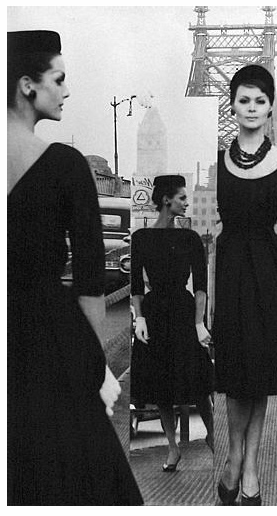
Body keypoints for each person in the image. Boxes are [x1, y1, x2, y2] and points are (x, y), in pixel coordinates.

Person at [7, 30, 143, 505]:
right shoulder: (64, 165)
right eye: (59, 79)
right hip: (48, 341)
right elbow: (90, 281)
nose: (67, 91)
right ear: (28, 85)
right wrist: (96, 367)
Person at [213, 64, 277, 506]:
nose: (251, 108)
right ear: (233, 105)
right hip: (232, 273)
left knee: (258, 375)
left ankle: (249, 465)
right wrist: (212, 300)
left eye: (260, 100)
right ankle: (234, 456)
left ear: (271, 107)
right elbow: (220, 230)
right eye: (243, 100)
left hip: (271, 278)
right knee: (238, 376)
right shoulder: (221, 159)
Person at [131, 175, 214, 470]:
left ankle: (213, 437)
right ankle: (172, 447)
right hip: (154, 314)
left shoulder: (190, 238)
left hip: (182, 310)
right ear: (167, 200)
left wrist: (198, 323)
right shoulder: (141, 238)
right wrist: (139, 317)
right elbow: (136, 286)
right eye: (182, 198)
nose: (186, 203)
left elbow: (201, 286)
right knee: (161, 385)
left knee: (199, 380)